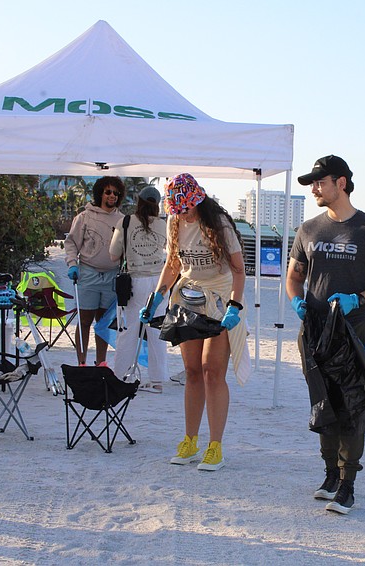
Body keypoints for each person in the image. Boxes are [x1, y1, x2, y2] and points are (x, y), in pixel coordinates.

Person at [287, 155, 365, 514]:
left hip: (354, 329)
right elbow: (294, 277)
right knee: (323, 401)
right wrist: (297, 302)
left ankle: (348, 484)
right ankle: (329, 476)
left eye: (320, 182)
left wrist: (359, 299)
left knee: (352, 404)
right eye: (312, 184)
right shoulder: (308, 230)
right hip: (316, 329)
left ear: (342, 183)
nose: (314, 189)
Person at [139, 173, 248, 472]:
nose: (182, 212)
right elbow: (173, 264)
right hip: (186, 299)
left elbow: (239, 270)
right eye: (177, 208)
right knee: (191, 371)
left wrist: (235, 306)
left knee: (212, 370)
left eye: (186, 207)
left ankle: (215, 447)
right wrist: (156, 298)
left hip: (219, 299)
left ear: (197, 199)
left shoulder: (219, 225)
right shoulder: (175, 222)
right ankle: (190, 440)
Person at [109, 185, 168, 391]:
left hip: (135, 280)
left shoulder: (125, 222)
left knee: (129, 329)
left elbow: (113, 254)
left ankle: (118, 375)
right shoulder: (164, 225)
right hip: (159, 281)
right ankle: (157, 380)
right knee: (157, 330)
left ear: (138, 201)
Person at [64, 176, 125, 366]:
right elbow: (71, 243)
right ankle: (82, 362)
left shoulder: (123, 220)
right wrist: (72, 264)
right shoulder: (84, 217)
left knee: (103, 323)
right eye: (108, 192)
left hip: (111, 276)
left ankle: (101, 362)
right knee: (84, 321)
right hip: (88, 273)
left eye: (116, 193)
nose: (112, 196)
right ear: (100, 193)